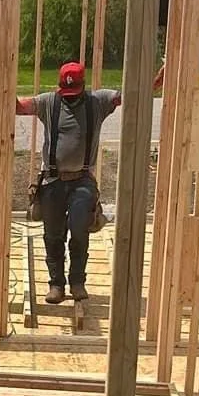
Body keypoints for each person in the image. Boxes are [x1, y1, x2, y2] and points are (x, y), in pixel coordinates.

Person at [14, 60, 123, 303]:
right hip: (52, 181)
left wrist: (156, 82)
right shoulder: (48, 102)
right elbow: (20, 107)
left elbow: (131, 96)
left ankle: (77, 282)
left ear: (83, 86)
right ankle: (56, 285)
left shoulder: (98, 102)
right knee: (53, 235)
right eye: (66, 92)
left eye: (74, 93)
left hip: (82, 181)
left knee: (79, 229)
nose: (70, 98)